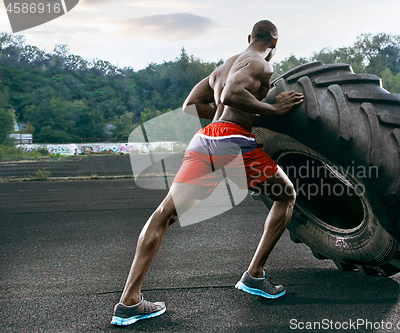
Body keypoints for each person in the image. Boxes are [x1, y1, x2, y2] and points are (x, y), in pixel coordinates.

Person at [111, 20, 304, 326]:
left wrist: (234, 125)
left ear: (249, 37)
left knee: (165, 214)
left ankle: (129, 301)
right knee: (286, 196)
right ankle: (254, 275)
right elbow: (231, 96)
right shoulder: (262, 65)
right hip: (231, 142)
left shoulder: (223, 66)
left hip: (207, 138)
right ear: (274, 45)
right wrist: (273, 111)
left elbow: (192, 104)